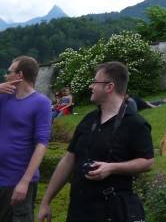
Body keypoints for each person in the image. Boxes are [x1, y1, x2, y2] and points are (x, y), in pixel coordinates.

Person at [37, 61, 153, 222]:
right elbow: (68, 160)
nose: (91, 86)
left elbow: (148, 162)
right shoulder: (88, 120)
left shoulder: (135, 123)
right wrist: (46, 201)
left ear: (109, 87)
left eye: (94, 82)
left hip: (111, 213)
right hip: (79, 211)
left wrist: (112, 168)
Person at [0, 56, 51, 222]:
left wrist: (25, 182)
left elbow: (41, 144)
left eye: (9, 72)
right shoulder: (4, 98)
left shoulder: (41, 102)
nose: (5, 76)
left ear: (19, 75)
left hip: (18, 181)